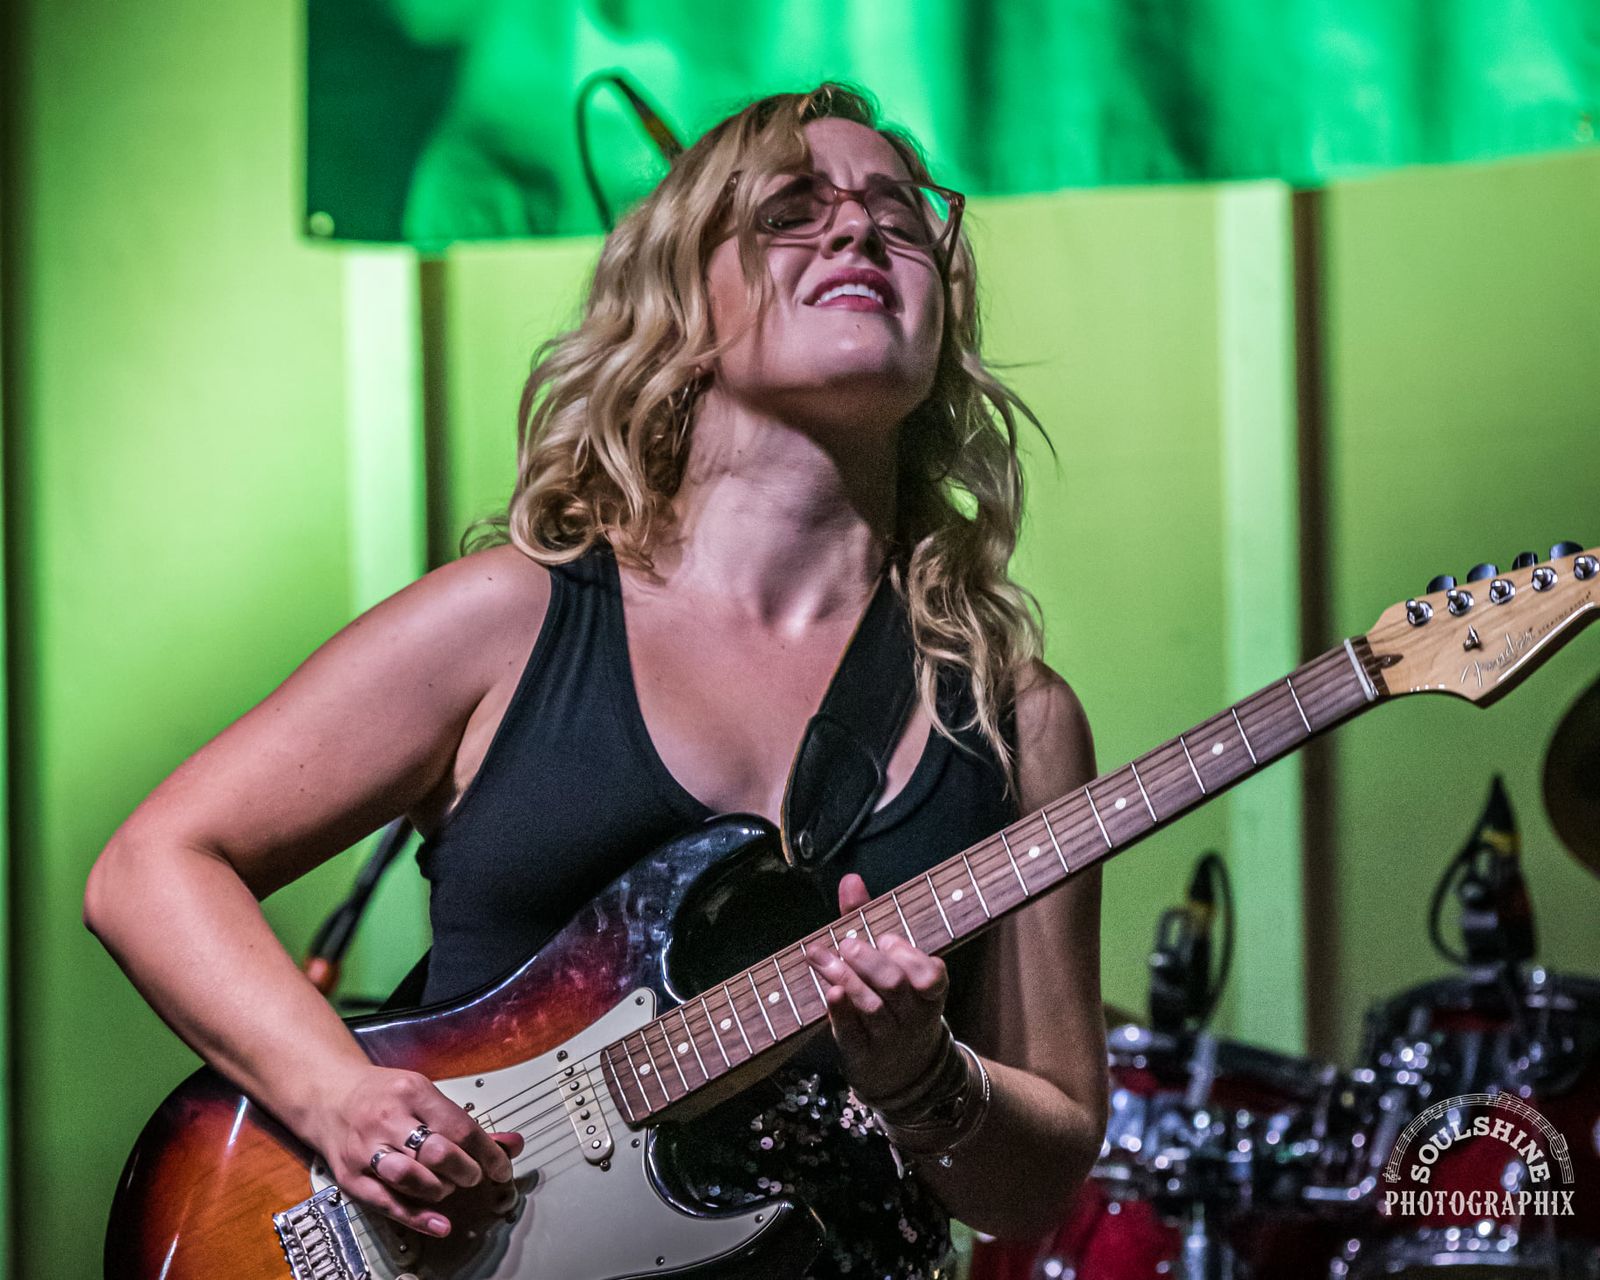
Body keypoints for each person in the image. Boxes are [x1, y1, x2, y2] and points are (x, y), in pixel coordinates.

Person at [86, 83, 1107, 1279]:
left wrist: (928, 1079)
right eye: (791, 208)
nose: (857, 229)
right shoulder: (512, 619)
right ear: (682, 302)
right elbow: (152, 867)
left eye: (899, 215)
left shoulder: (1014, 715)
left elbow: (1037, 1181)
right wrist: (341, 1096)